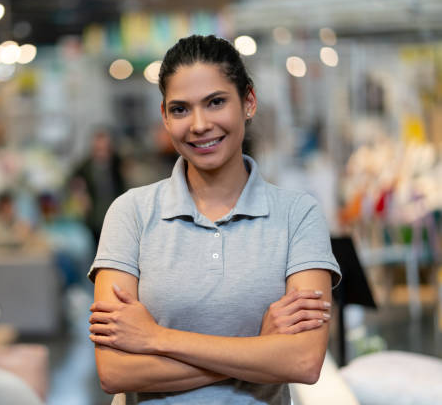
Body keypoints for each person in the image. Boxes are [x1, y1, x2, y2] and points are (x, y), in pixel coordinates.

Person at [87, 35, 341, 405]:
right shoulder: (131, 213)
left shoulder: (298, 215)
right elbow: (115, 372)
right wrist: (261, 349)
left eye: (216, 102)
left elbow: (303, 361)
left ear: (248, 102)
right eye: (180, 109)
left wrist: (156, 339)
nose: (200, 124)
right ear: (164, 116)